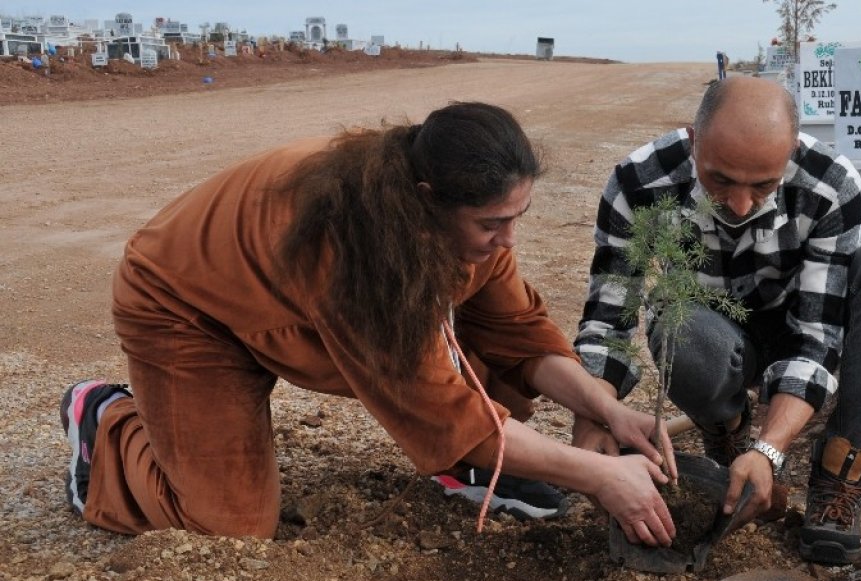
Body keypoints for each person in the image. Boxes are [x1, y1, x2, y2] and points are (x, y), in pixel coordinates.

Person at [59, 102, 678, 547]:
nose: (508, 240)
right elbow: (437, 404)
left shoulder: (442, 211)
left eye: (518, 216)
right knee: (230, 525)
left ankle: (473, 465)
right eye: (492, 224)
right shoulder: (358, 255)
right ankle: (103, 419)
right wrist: (600, 475)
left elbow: (517, 332)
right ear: (429, 198)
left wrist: (605, 406)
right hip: (188, 310)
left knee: (486, 355)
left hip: (287, 302)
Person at [573, 77, 861, 565]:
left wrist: (772, 449)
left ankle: (841, 469)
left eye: (763, 186)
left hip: (797, 323)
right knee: (678, 326)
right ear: (694, 141)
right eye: (720, 180)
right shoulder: (641, 181)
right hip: (711, 332)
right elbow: (609, 318)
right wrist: (591, 417)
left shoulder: (830, 183)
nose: (738, 206)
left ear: (791, 153)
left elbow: (817, 336)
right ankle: (725, 431)